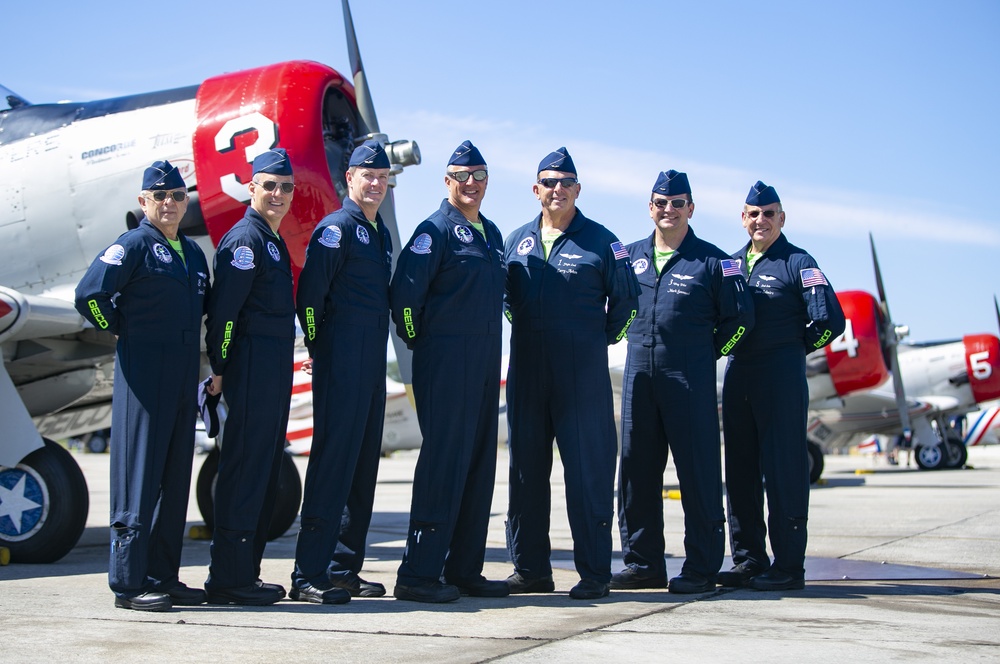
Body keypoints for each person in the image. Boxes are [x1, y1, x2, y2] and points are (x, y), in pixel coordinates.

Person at [504, 147, 640, 600]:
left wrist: (593, 340)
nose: (557, 189)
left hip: (581, 378)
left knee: (587, 474)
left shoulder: (603, 241)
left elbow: (626, 305)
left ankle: (595, 573)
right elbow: (507, 302)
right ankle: (531, 570)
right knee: (525, 473)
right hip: (526, 374)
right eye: (549, 181)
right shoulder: (516, 240)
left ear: (578, 189)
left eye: (566, 182)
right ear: (536, 189)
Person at [75, 161, 210, 611]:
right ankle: (128, 583)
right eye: (159, 196)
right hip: (143, 374)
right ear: (144, 202)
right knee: (139, 477)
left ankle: (162, 575)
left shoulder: (192, 254)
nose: (169, 203)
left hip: (181, 378)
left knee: (173, 480)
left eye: (176, 195)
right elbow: (89, 295)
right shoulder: (133, 245)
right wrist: (120, 328)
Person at [613, 170, 754, 594]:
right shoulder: (628, 256)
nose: (668, 210)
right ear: (650, 207)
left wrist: (709, 351)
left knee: (698, 472)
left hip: (688, 378)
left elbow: (741, 319)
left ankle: (701, 566)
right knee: (636, 471)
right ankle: (643, 563)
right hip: (638, 378)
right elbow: (612, 308)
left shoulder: (714, 261)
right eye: (660, 202)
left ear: (691, 208)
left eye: (677, 203)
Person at [389, 140, 508, 603]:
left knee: (478, 466)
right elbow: (405, 299)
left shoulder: (491, 234)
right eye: (462, 176)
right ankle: (418, 573)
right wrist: (425, 344)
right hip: (446, 366)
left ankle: (464, 569)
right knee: (443, 465)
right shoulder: (434, 231)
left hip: (483, 369)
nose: (471, 184)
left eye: (479, 175)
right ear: (447, 181)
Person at [720, 180, 845, 591]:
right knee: (739, 472)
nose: (761, 221)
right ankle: (749, 560)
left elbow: (831, 321)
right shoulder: (731, 264)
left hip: (782, 376)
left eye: (769, 214)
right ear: (743, 219)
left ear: (781, 218)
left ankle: (788, 565)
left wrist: (797, 348)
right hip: (739, 376)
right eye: (753, 214)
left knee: (784, 471)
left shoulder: (798, 262)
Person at [289, 140, 394, 604]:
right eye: (366, 175)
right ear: (348, 178)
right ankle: (308, 574)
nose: (375, 183)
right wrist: (320, 346)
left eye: (382, 177)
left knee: (361, 471)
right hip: (342, 364)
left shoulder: (379, 233)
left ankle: (343, 568)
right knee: (333, 468)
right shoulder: (336, 229)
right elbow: (309, 298)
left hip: (371, 365)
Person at [203, 148, 297, 606]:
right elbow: (224, 316)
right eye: (269, 186)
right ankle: (228, 577)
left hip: (273, 368)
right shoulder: (246, 240)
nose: (278, 194)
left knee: (262, 471)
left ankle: (246, 572)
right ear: (251, 187)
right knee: (242, 472)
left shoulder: (271, 239)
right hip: (251, 368)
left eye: (286, 187)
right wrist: (220, 370)